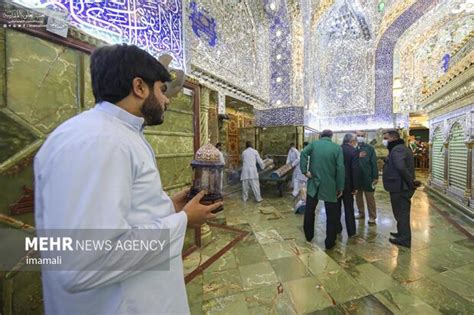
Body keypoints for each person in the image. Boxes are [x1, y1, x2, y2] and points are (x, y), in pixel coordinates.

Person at [34, 44, 222, 314]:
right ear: (139, 87)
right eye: (161, 89)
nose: (167, 100)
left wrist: (171, 206)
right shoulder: (100, 142)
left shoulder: (114, 134)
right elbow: (83, 263)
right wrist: (183, 221)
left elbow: (123, 215)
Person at [300, 130, 345, 249]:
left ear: (320, 136)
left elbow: (303, 153)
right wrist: (340, 186)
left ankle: (309, 235)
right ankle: (330, 241)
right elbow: (340, 168)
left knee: (310, 211)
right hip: (330, 185)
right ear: (331, 136)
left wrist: (304, 170)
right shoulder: (337, 148)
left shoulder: (314, 144)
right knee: (331, 214)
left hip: (314, 183)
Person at [382, 129, 416, 248]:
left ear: (393, 138)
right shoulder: (398, 148)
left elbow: (401, 167)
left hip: (400, 187)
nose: (384, 141)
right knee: (399, 212)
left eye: (386, 138)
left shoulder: (398, 149)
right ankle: (401, 233)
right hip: (399, 186)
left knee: (401, 213)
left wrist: (410, 183)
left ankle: (405, 239)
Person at [337, 133, 359, 237]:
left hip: (337, 184)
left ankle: (337, 228)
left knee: (336, 207)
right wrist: (355, 186)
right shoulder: (353, 151)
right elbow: (354, 170)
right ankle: (351, 231)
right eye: (355, 141)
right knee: (349, 208)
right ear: (351, 141)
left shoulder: (337, 149)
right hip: (348, 184)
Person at [355, 130, 379, 225]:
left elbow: (374, 163)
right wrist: (357, 155)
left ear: (365, 137)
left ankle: (372, 216)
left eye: (362, 135)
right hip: (356, 177)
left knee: (370, 198)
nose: (360, 137)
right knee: (358, 197)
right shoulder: (353, 148)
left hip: (368, 177)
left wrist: (375, 176)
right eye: (358, 135)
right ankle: (361, 213)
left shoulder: (369, 148)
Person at [293, 142, 310, 213]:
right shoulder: (310, 153)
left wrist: (292, 164)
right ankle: (302, 202)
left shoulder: (302, 152)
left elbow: (297, 161)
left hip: (302, 173)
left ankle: (302, 203)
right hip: (306, 174)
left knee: (300, 189)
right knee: (303, 188)